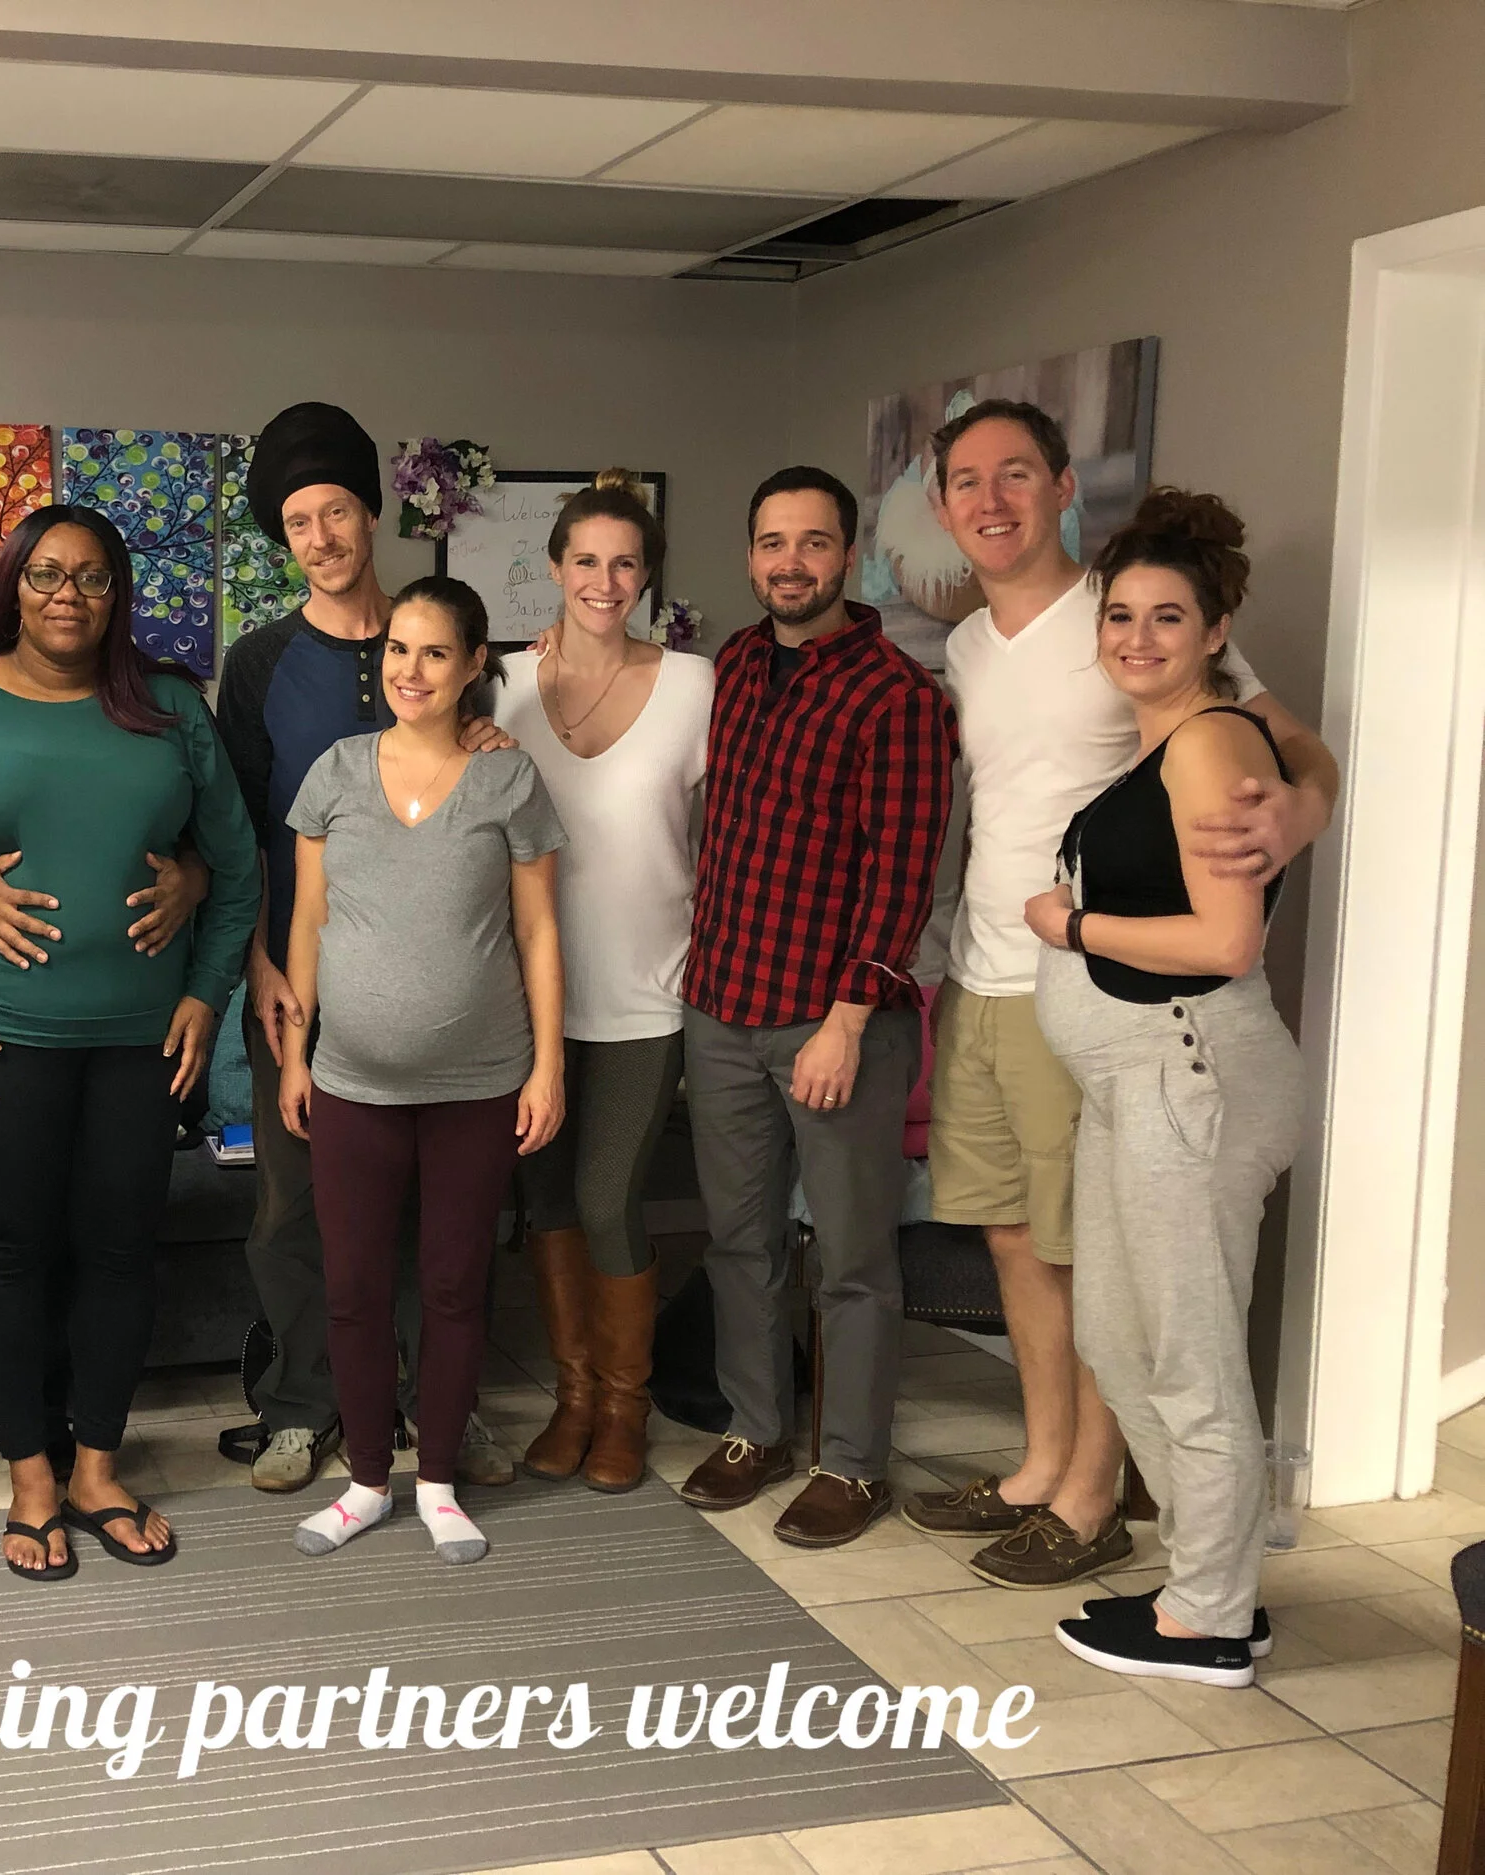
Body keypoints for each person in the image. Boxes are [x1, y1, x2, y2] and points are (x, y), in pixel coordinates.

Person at [901, 401, 1338, 1589]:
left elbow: (1295, 750)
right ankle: (1042, 1466)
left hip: (1095, 987)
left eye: (1015, 476)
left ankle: (1096, 1494)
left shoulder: (1135, 620)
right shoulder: (968, 647)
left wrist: (1296, 812)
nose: (989, 501)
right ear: (942, 508)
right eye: (966, 483)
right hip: (982, 975)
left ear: (1059, 491)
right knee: (1010, 1239)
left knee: (1089, 1256)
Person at [0, 505, 260, 1580]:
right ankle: (31, 1477)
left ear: (118, 596)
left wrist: (206, 997)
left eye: (91, 579)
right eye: (45, 577)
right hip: (1, 1044)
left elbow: (238, 869)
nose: (66, 596)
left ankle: (96, 1471)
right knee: (6, 1255)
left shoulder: (171, 711)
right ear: (10, 588)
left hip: (138, 1043)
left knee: (121, 1256)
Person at [215, 401, 518, 1494]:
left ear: (369, 512)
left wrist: (486, 730)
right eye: (297, 522)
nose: (320, 538)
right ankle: (304, 1405)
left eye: (334, 511)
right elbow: (239, 831)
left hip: (442, 990)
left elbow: (483, 788)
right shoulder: (255, 667)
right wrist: (259, 963)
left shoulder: (437, 646)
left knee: (439, 1219)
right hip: (305, 980)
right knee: (295, 1206)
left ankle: (442, 1408)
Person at [1031, 491, 1304, 1688]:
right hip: (1135, 1081)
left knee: (1186, 1354)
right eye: (1121, 615)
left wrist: (1073, 923)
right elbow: (1311, 771)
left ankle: (1210, 1617)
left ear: (1215, 628)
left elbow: (1224, 941)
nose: (1136, 638)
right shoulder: (1187, 734)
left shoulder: (1208, 740)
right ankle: (1208, 1577)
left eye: (1166, 617)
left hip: (1186, 1071)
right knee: (1116, 1336)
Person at [675, 467, 956, 1549]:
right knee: (738, 1243)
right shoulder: (738, 664)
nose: (789, 563)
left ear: (848, 558)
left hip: (832, 1021)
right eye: (771, 543)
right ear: (750, 557)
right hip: (724, 1002)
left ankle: (853, 1464)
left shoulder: (897, 697)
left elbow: (901, 881)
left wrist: (845, 1019)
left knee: (849, 1257)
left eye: (812, 544)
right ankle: (756, 1428)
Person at [279, 577, 566, 1567]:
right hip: (351, 1082)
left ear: (475, 664)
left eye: (435, 652)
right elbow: (307, 924)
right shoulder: (335, 773)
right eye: (397, 650)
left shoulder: (509, 781)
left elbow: (536, 931)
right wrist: (293, 1051)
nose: (410, 670)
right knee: (353, 1289)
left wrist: (547, 1067)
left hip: (479, 1082)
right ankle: (365, 1481)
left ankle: (436, 1479)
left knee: (454, 1286)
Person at [495, 472, 713, 1494]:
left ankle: (624, 1407)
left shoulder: (694, 686)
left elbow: (729, 837)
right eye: (585, 559)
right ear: (552, 567)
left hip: (641, 990)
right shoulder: (497, 686)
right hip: (521, 996)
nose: (604, 578)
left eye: (625, 561)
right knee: (545, 1201)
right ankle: (572, 1397)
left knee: (607, 1195)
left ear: (646, 575)